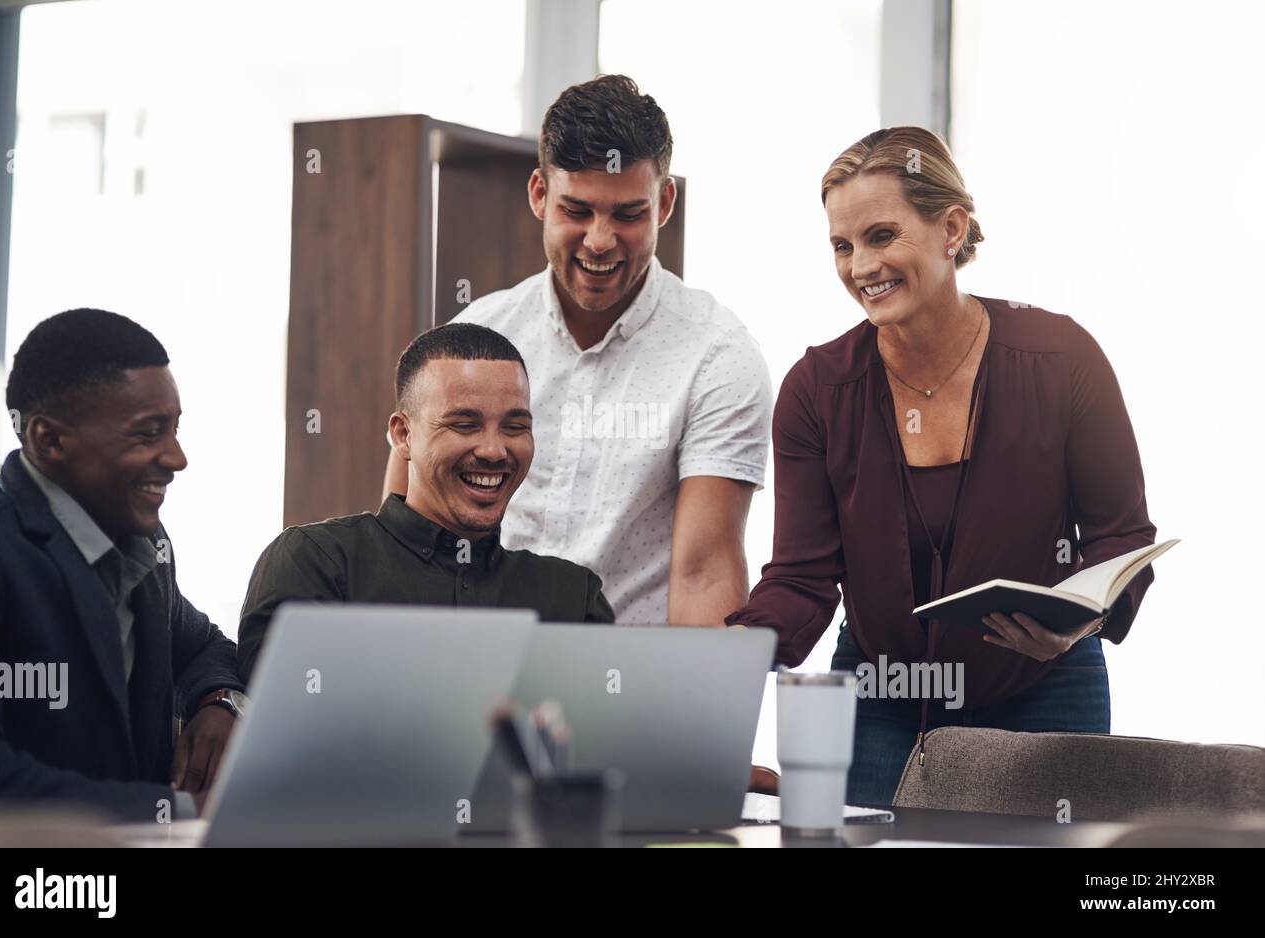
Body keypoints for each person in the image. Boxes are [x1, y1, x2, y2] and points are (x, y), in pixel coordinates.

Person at [726, 127, 1157, 806]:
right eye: (842, 246)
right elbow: (803, 575)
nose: (860, 266)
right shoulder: (817, 389)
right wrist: (735, 654)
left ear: (951, 227)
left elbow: (1121, 536)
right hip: (882, 696)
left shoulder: (1063, 359)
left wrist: (1083, 618)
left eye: (881, 236)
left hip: (1045, 684)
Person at [382, 75, 771, 626]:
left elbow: (703, 572)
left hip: (629, 683)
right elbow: (403, 538)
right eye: (578, 211)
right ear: (540, 194)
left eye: (627, 214)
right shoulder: (476, 334)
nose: (599, 240)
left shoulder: (718, 357)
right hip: (476, 666)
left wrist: (690, 707)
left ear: (664, 203)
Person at [0, 308, 243, 821]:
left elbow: (206, 646)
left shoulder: (142, 543)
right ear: (49, 440)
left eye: (174, 429)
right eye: (147, 433)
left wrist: (219, 701)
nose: (177, 458)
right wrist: (182, 812)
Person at [239, 323, 614, 682]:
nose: (494, 450)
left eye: (515, 427)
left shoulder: (572, 598)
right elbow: (286, 724)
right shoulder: (317, 564)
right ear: (403, 435)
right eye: (464, 425)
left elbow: (603, 738)